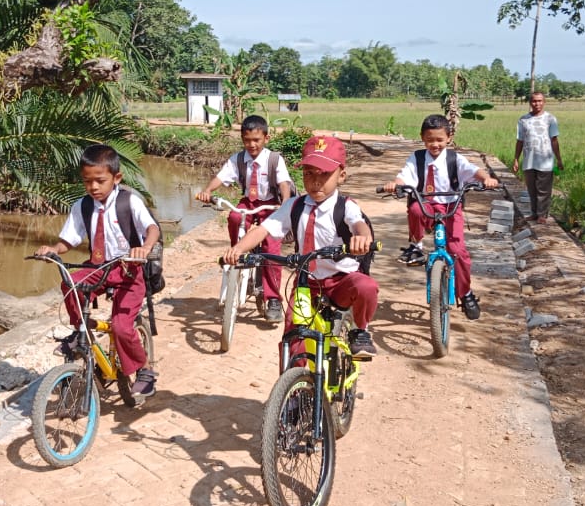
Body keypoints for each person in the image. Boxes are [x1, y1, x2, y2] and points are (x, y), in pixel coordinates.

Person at [223, 134, 379, 360]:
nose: (316, 181)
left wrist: (363, 239)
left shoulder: (345, 206)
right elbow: (263, 230)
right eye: (309, 173)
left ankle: (359, 330)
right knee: (294, 336)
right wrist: (238, 249)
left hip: (341, 280)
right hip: (307, 283)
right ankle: (293, 379)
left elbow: (358, 225)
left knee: (366, 286)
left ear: (341, 176)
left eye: (324, 174)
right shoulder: (294, 205)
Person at [36, 144, 160, 405]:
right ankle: (81, 330)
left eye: (100, 181)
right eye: (87, 181)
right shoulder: (82, 206)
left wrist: (144, 248)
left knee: (122, 327)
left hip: (128, 271)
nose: (93, 187)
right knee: (71, 282)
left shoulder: (128, 202)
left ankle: (145, 369)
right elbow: (68, 240)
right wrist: (53, 250)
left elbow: (152, 228)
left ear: (116, 178)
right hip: (98, 268)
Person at [383, 114, 494, 321]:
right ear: (422, 138)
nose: (435, 144)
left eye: (440, 140)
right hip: (426, 203)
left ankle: (465, 293)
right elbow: (404, 176)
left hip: (451, 205)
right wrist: (395, 185)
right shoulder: (416, 158)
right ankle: (416, 246)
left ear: (449, 138)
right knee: (415, 210)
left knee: (458, 251)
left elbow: (473, 170)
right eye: (430, 140)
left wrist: (487, 179)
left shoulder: (454, 159)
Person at [195, 115, 295, 324]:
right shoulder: (238, 159)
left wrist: (285, 202)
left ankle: (273, 299)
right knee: (234, 216)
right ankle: (238, 252)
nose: (252, 145)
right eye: (247, 140)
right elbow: (221, 177)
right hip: (248, 202)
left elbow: (284, 183)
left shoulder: (274, 159)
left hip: (270, 204)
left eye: (256, 140)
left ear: (266, 138)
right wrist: (208, 190)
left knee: (271, 247)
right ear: (242, 139)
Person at [512, 91, 563, 223]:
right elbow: (520, 140)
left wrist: (559, 159)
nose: (537, 103)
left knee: (544, 189)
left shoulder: (550, 119)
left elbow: (554, 140)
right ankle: (534, 213)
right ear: (530, 103)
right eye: (534, 101)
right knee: (531, 189)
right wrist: (516, 159)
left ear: (544, 102)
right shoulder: (523, 120)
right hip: (529, 160)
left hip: (545, 160)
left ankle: (542, 215)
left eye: (540, 101)